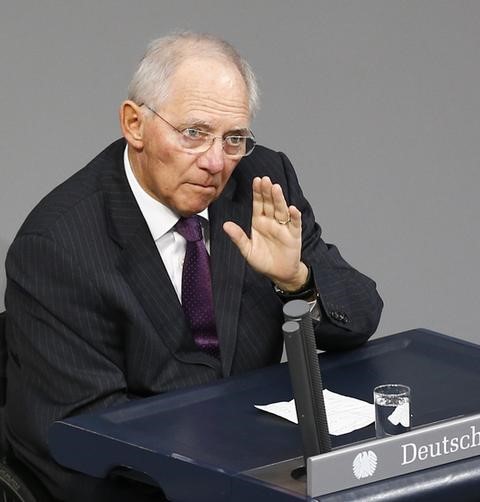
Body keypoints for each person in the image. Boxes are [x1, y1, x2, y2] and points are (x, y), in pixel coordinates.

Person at [2, 32, 383, 500]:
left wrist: (295, 281)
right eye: (194, 133)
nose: (215, 162)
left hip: (249, 468)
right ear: (134, 124)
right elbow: (89, 440)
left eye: (233, 139)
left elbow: (360, 317)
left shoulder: (260, 183)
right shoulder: (58, 245)